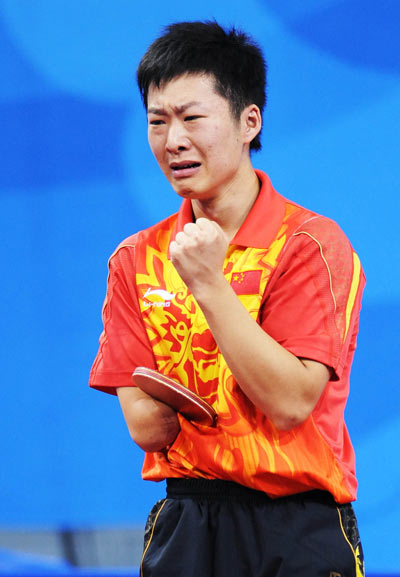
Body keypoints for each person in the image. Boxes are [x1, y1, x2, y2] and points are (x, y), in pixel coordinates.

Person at [89, 21, 365, 577]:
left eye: (192, 118)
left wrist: (208, 285)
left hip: (296, 527)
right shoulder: (134, 259)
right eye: (157, 121)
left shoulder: (309, 244)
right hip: (186, 521)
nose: (173, 141)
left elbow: (288, 403)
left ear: (249, 122)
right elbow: (148, 427)